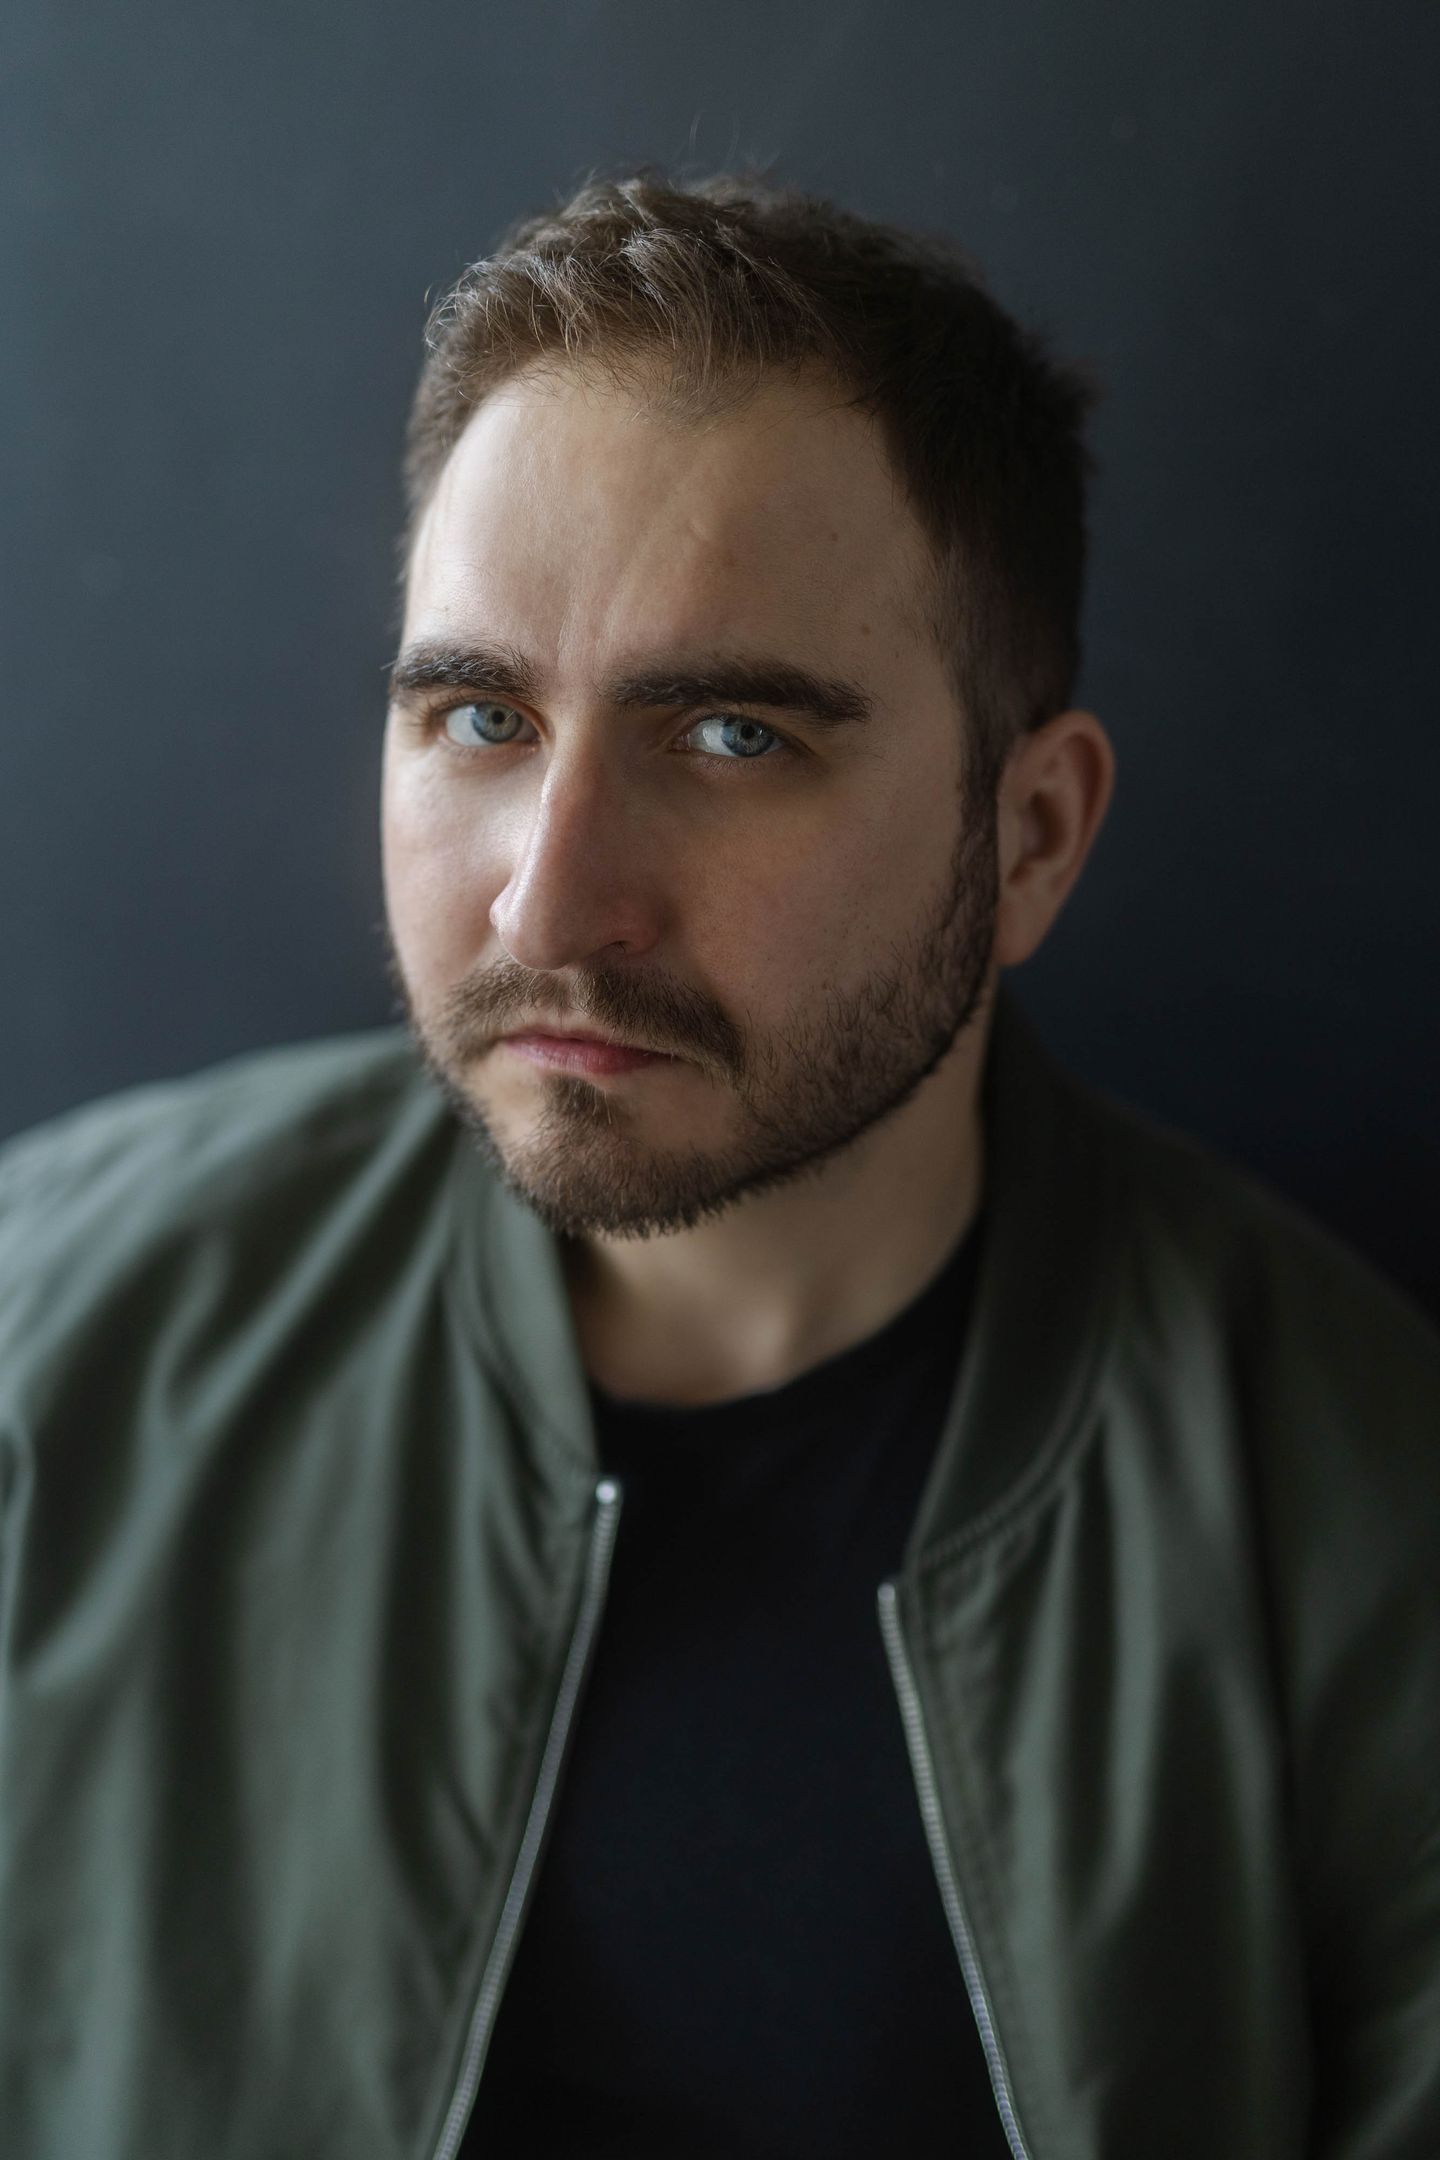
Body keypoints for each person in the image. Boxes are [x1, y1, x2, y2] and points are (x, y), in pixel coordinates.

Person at [1, 170, 1437, 2160]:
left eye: (733, 738)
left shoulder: (1367, 1544)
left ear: (1028, 837)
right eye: (481, 716)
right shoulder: (49, 1352)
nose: (549, 902)